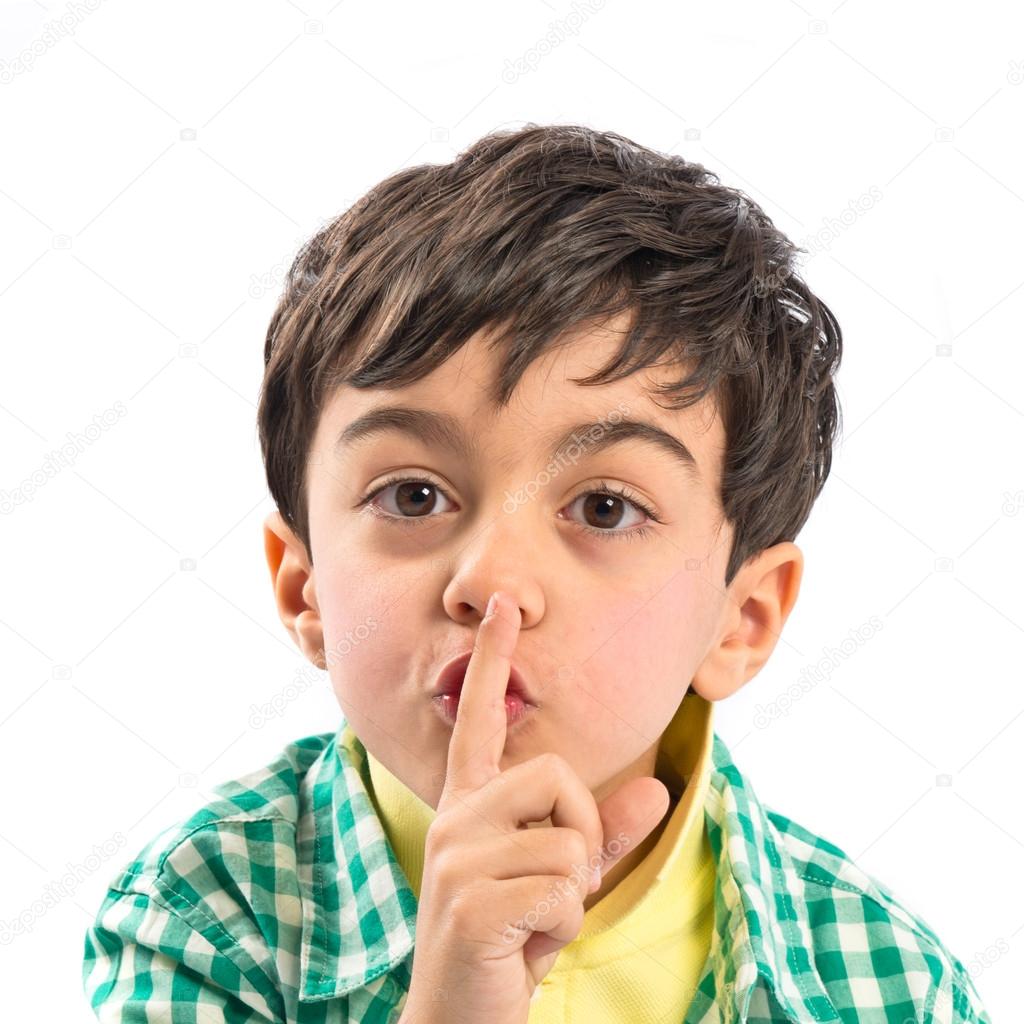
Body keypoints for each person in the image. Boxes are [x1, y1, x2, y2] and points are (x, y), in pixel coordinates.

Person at [82, 123, 992, 1023]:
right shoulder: (202, 919)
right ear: (302, 587)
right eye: (411, 496)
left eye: (604, 508)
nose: (492, 580)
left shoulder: (890, 984)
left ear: (742, 619)